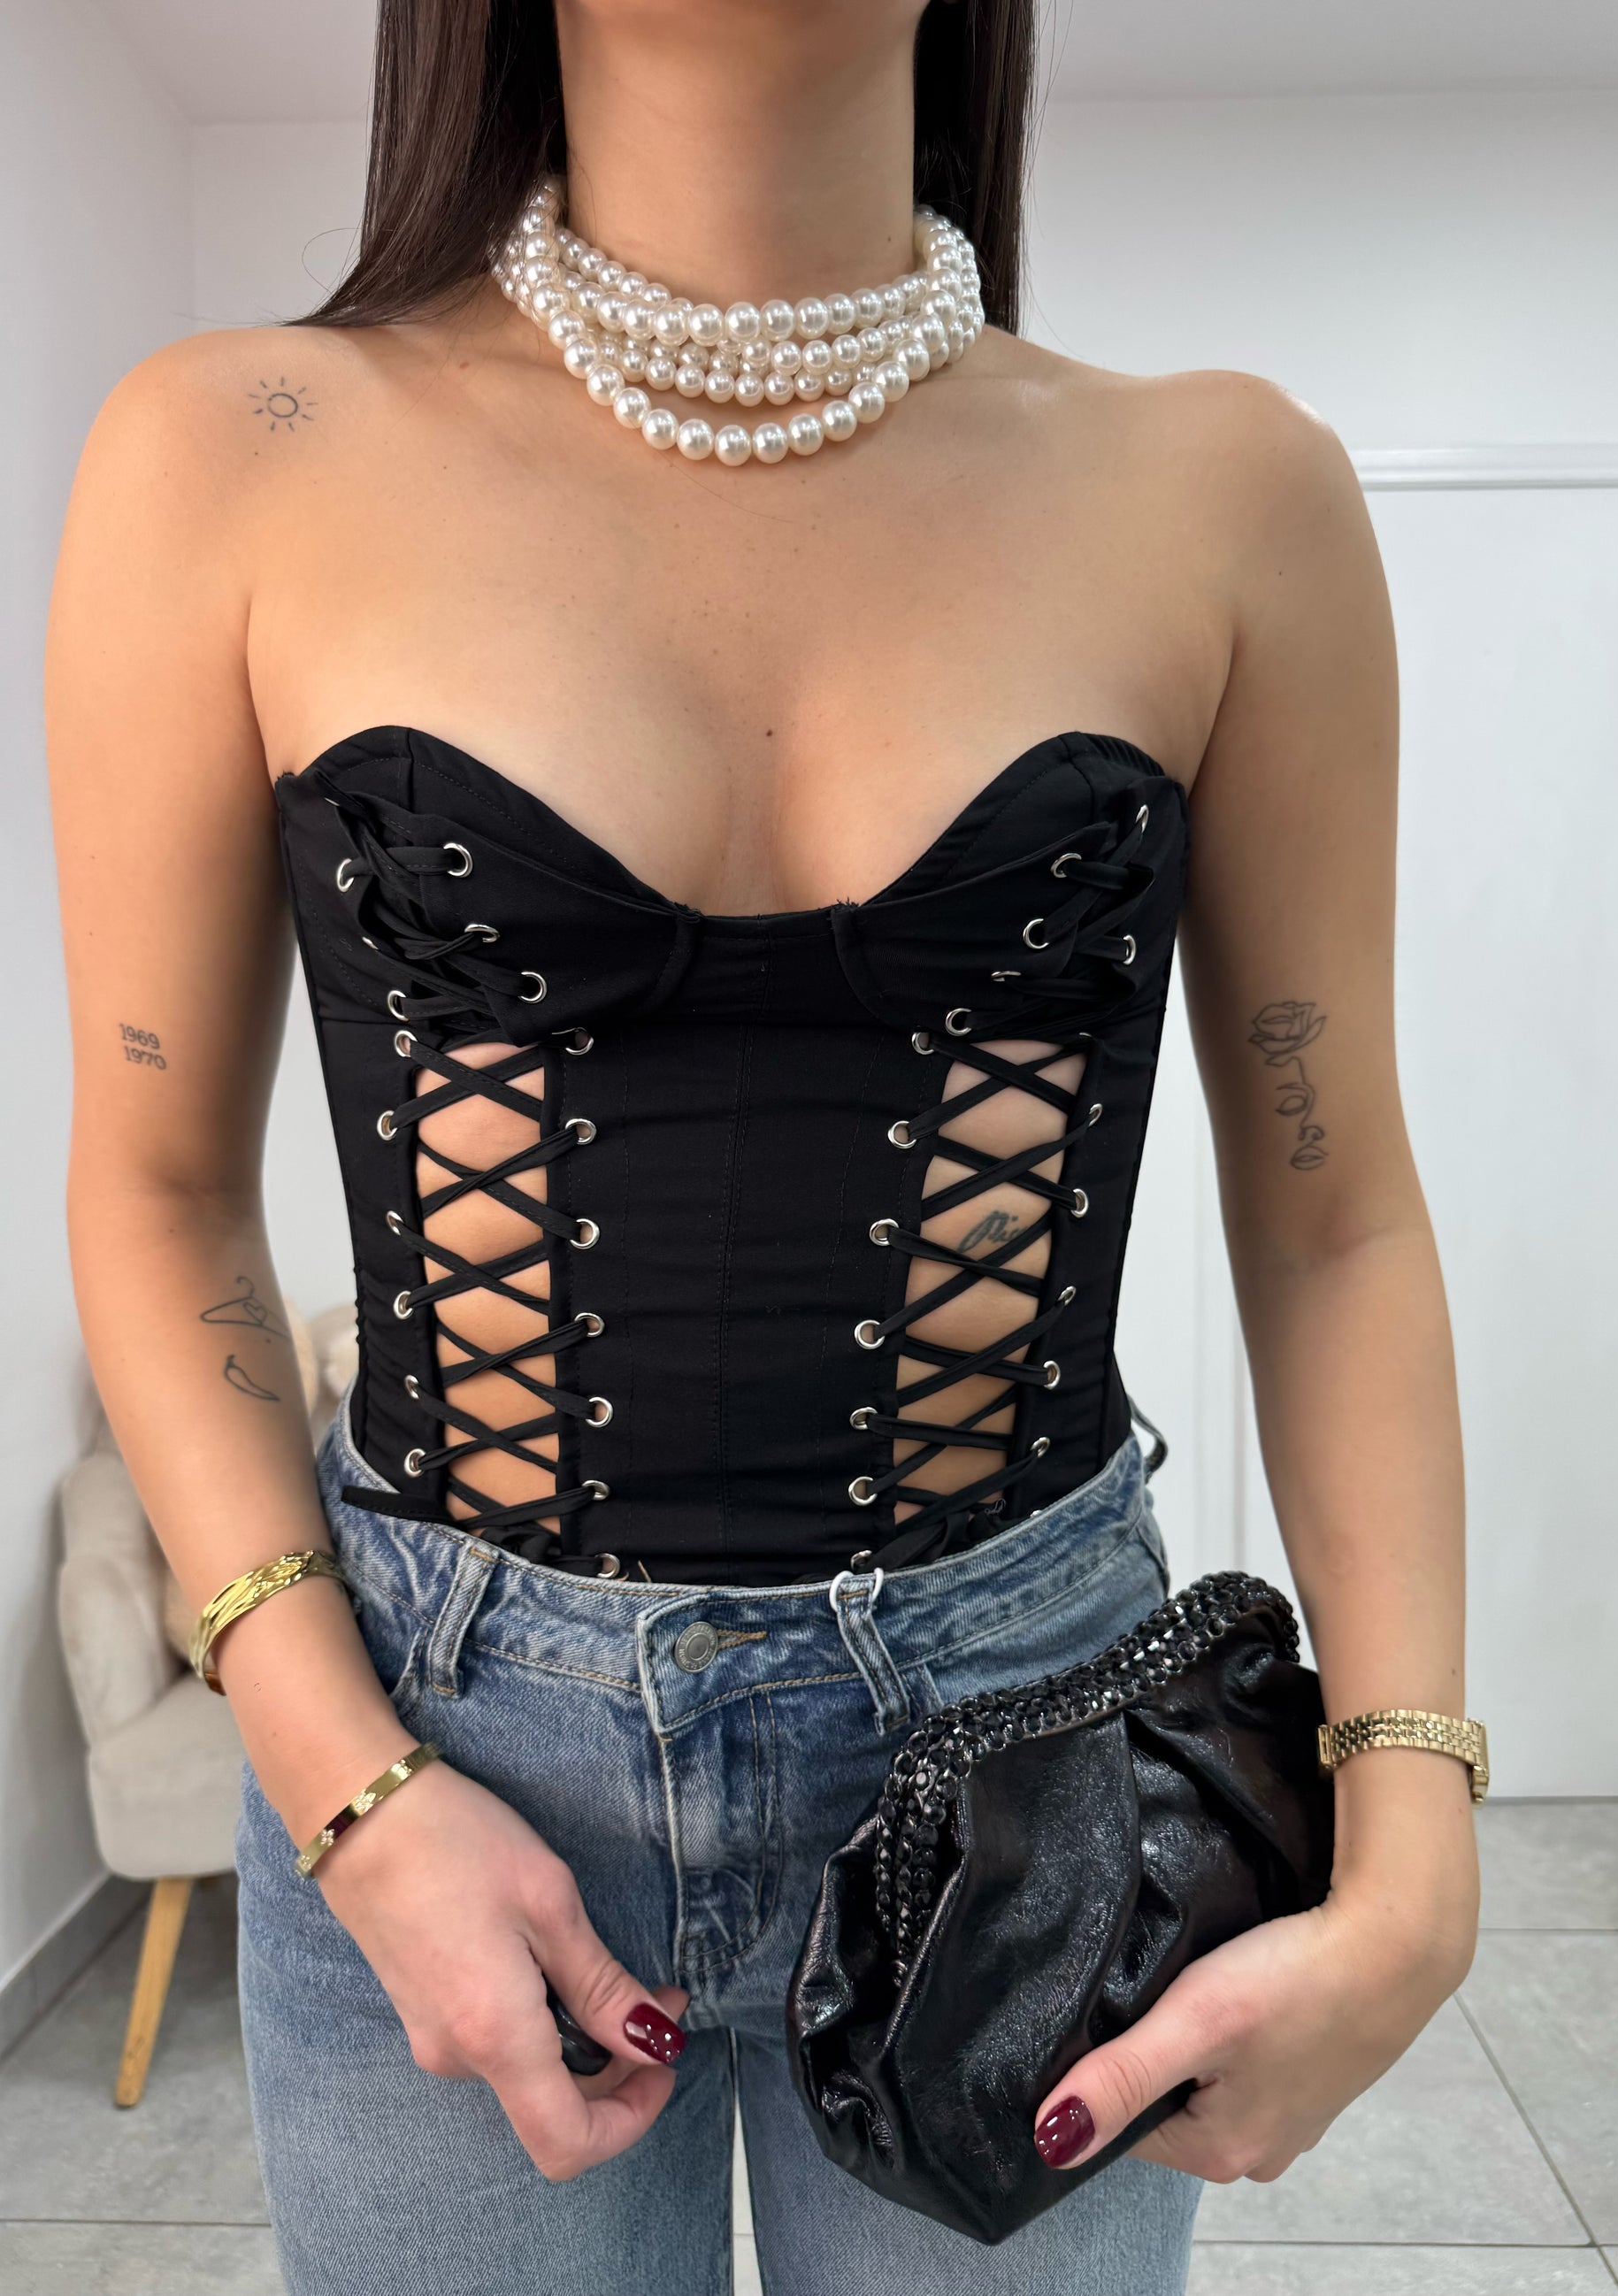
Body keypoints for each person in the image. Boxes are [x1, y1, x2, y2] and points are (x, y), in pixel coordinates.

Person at [46, 1, 1483, 2289]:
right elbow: (153, 1189)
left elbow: (1333, 1217)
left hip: (1037, 1748)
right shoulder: (233, 453)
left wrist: (1413, 1827)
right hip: (433, 1733)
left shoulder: (1228, 490)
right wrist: (355, 1790)